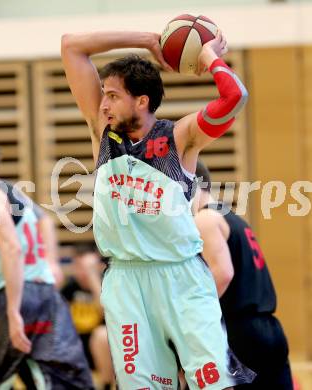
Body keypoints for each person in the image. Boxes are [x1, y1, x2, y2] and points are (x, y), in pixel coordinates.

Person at [61, 28, 255, 389]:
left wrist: (209, 56)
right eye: (103, 94)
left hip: (181, 277)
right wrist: (149, 40)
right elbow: (72, 45)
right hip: (125, 281)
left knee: (213, 383)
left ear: (141, 101)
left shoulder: (180, 137)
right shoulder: (102, 132)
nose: (103, 103)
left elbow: (235, 96)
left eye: (113, 95)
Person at [0, 134, 94, 389]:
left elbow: (12, 248)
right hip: (45, 295)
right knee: (63, 379)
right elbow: (45, 220)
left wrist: (12, 308)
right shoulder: (16, 194)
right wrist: (51, 261)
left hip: (13, 295)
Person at [193, 161, 294, 390]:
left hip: (240, 331)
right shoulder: (232, 217)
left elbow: (223, 274)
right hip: (269, 327)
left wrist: (193, 317)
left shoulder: (204, 219)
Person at [61, 244, 115, 389]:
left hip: (102, 347)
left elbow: (106, 313)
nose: (83, 273)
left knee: (101, 335)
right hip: (76, 345)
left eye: (87, 268)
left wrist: (93, 280)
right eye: (79, 267)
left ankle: (106, 385)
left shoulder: (107, 286)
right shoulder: (69, 289)